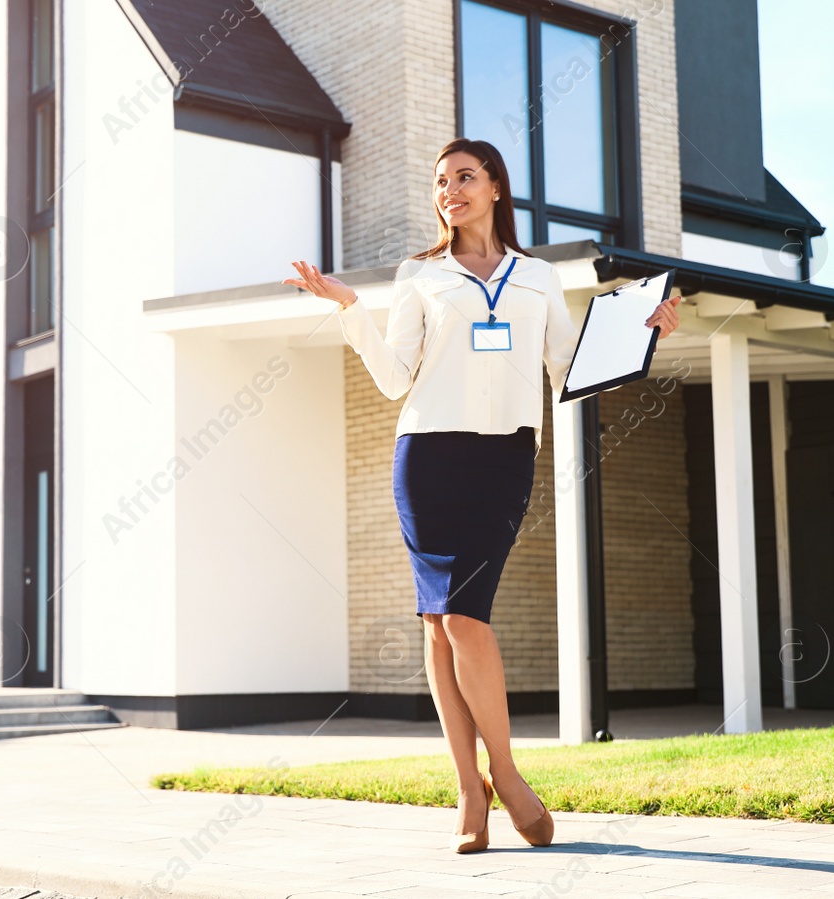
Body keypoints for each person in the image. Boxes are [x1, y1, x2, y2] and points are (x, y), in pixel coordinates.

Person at [283, 138, 680, 854]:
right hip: (428, 458)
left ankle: (497, 773)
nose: (450, 190)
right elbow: (395, 376)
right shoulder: (420, 275)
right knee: (442, 621)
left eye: (465, 177)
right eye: (440, 181)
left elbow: (568, 369)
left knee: (461, 617)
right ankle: (478, 786)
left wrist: (641, 337)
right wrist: (349, 307)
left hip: (504, 459)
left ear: (496, 186)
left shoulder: (538, 279)